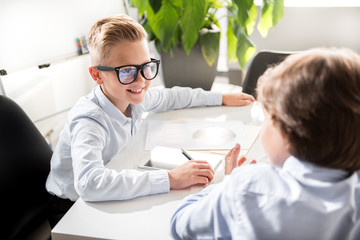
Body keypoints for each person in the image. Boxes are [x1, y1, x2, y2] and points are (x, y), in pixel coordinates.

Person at [45, 14, 255, 227]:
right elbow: (89, 184)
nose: (141, 80)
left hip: (111, 179)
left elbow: (172, 96)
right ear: (97, 75)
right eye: (126, 71)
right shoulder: (89, 121)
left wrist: (221, 97)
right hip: (70, 208)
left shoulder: (131, 96)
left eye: (146, 66)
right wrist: (170, 179)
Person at [170, 48, 360, 240]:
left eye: (266, 117)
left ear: (288, 131)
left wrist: (225, 185)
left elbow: (181, 224)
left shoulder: (247, 188)